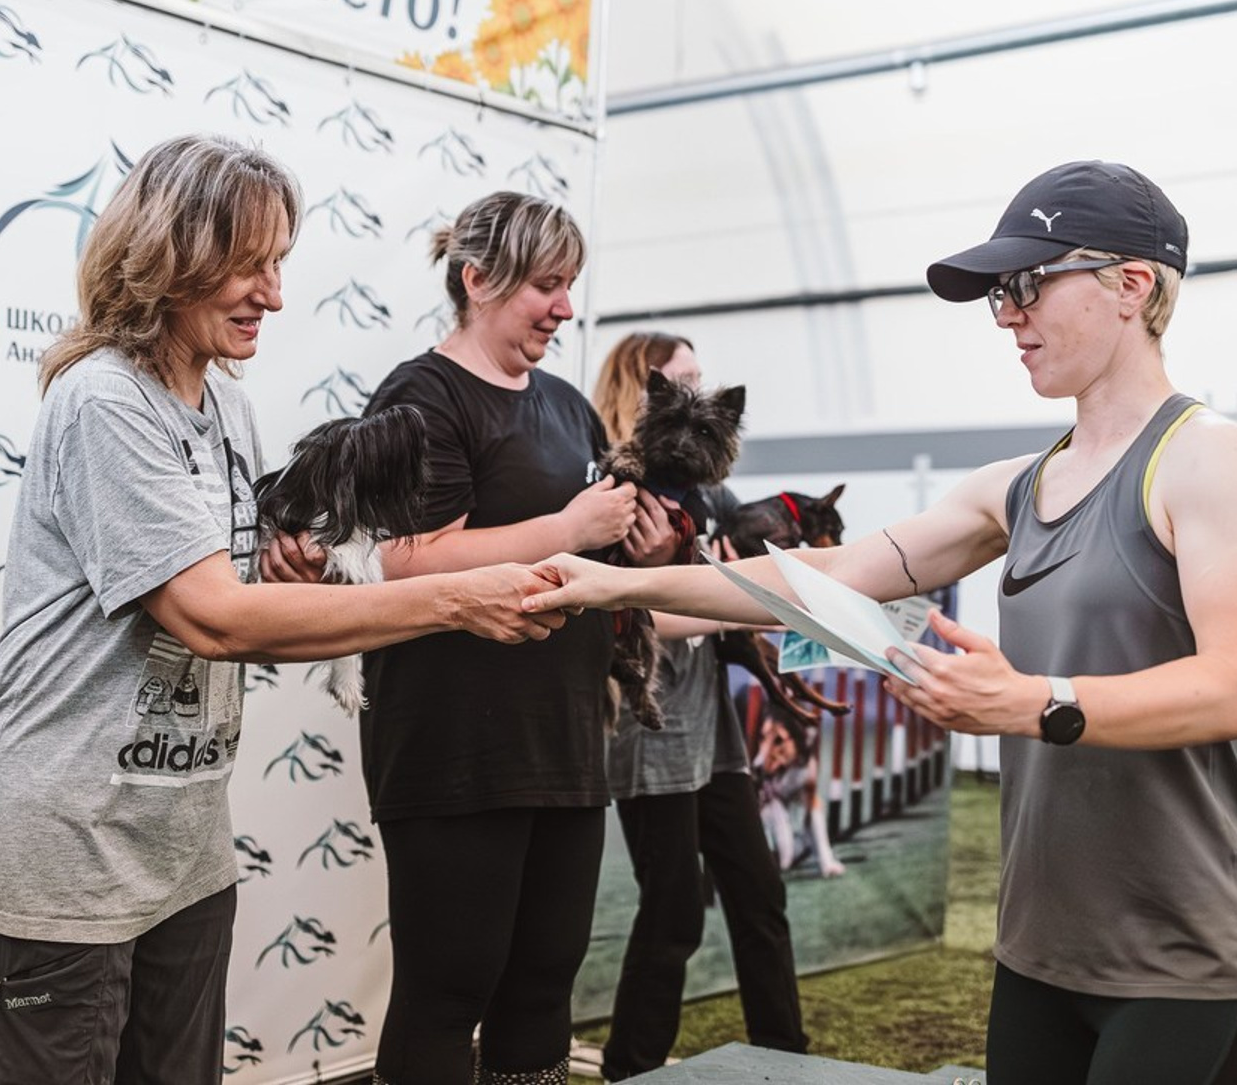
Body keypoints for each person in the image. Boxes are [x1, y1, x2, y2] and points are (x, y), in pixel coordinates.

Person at [524, 161, 1237, 1085]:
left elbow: (1228, 684)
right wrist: (612, 587)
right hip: (1037, 950)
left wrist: (1034, 702)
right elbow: (823, 578)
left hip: (1183, 962)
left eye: (1026, 284)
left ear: (1132, 284)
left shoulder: (1206, 461)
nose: (1007, 315)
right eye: (1000, 294)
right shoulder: (1016, 486)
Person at [0, 136, 566, 1085]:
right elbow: (213, 620)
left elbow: (241, 611)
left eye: (278, 264)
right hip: (64, 855)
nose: (274, 295)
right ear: (171, 256)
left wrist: (298, 581)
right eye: (249, 264)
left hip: (182, 852)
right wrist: (451, 598)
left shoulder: (227, 409)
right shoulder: (105, 399)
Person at [266, 192, 677, 1085]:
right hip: (454, 745)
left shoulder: (566, 405)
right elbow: (406, 561)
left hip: (564, 738)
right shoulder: (424, 397)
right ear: (478, 279)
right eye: (545, 285)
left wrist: (640, 551)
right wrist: (569, 526)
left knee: (543, 987)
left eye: (569, 284)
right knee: (448, 991)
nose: (564, 308)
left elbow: (589, 563)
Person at [589, 332, 808, 1079]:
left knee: (759, 896)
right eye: (682, 380)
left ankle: (787, 1059)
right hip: (651, 728)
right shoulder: (615, 493)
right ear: (645, 391)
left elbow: (758, 562)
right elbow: (627, 614)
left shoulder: (709, 496)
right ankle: (632, 1067)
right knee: (674, 912)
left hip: (714, 733)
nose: (700, 393)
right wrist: (728, 606)